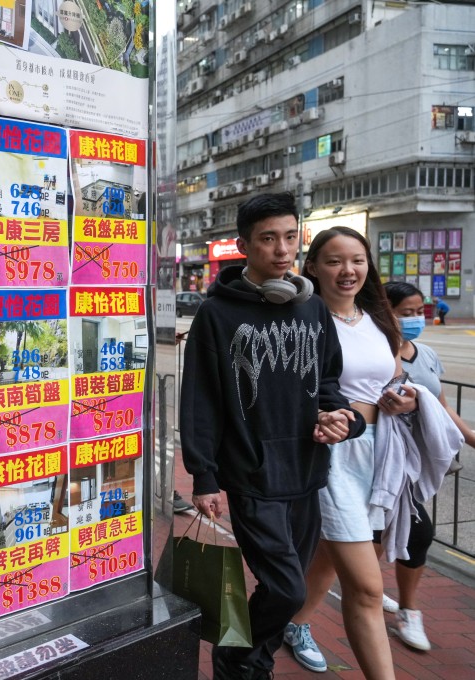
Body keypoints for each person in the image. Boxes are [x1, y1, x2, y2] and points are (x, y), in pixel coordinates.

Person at [181, 192, 364, 680]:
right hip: (251, 475)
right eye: (268, 239)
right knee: (287, 590)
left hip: (307, 471)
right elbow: (200, 401)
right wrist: (203, 475)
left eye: (290, 236)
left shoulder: (314, 310)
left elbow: (328, 383)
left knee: (285, 583)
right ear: (244, 245)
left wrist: (338, 416)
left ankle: (251, 663)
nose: (282, 249)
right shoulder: (216, 316)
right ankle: (234, 655)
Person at [286, 226, 418, 677]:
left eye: (357, 260)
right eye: (335, 260)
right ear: (313, 267)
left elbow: (396, 379)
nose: (348, 270)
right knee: (364, 587)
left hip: (381, 455)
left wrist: (407, 398)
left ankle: (294, 622)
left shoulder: (381, 318)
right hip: (331, 456)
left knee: (330, 555)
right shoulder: (301, 318)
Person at [373, 281, 475, 650]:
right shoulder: (376, 352)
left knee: (414, 532)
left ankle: (407, 610)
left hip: (416, 466)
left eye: (420, 311)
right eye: (406, 312)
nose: (415, 319)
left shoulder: (427, 354)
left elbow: (443, 406)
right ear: (386, 311)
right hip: (382, 459)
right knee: (371, 537)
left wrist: (470, 437)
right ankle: (368, 592)